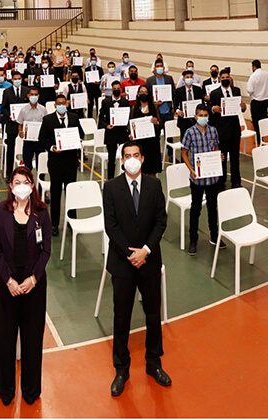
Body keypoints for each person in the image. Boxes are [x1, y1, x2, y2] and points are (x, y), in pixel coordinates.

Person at [103, 140, 170, 397]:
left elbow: (161, 221)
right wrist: (131, 254)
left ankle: (154, 362)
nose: (131, 159)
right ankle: (121, 368)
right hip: (123, 262)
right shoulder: (111, 187)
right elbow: (111, 227)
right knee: (122, 317)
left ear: (142, 159)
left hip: (149, 259)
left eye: (136, 155)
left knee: (153, 315)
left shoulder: (154, 185)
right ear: (121, 160)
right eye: (127, 155)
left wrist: (146, 251)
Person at [0, 166, 51, 406]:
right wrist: (9, 281)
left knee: (32, 339)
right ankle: (6, 389)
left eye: (26, 181)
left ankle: (31, 390)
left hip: (34, 286)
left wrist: (33, 279)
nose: (21, 185)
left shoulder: (42, 212)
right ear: (11, 186)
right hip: (8, 286)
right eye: (17, 182)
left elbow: (46, 250)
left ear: (32, 185)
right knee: (5, 339)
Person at [180, 105, 225, 256]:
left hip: (212, 177)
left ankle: (214, 235)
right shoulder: (190, 132)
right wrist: (191, 170)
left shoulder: (213, 130)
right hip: (197, 179)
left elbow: (216, 148)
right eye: (201, 115)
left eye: (206, 115)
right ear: (195, 116)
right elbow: (184, 153)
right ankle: (193, 239)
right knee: (196, 209)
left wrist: (219, 157)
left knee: (213, 208)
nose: (204, 117)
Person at [38, 94, 84, 235]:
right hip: (56, 163)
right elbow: (42, 139)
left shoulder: (74, 118)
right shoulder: (48, 120)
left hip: (71, 162)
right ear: (55, 105)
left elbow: (80, 133)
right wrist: (52, 147)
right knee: (56, 193)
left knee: (71, 192)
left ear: (67, 104)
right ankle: (55, 224)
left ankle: (72, 219)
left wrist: (79, 141)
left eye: (63, 102)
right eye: (59, 103)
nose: (61, 105)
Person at [208, 68, 246, 189]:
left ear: (230, 78)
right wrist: (213, 108)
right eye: (223, 78)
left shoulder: (236, 91)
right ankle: (221, 181)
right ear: (220, 79)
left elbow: (240, 108)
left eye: (227, 77)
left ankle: (236, 181)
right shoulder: (215, 93)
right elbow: (209, 107)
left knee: (235, 157)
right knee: (222, 157)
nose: (225, 79)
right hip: (222, 130)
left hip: (234, 129)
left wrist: (243, 107)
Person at [98, 81, 130, 180]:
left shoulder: (125, 102)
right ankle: (110, 180)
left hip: (122, 133)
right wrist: (106, 126)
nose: (116, 90)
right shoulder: (106, 102)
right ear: (111, 90)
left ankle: (125, 178)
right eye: (114, 88)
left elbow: (128, 117)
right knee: (111, 159)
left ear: (121, 90)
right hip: (111, 134)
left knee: (125, 157)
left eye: (118, 88)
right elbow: (101, 118)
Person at [129, 85, 162, 176]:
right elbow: (130, 125)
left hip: (152, 143)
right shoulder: (134, 108)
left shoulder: (154, 107)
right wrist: (131, 134)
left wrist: (157, 122)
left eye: (145, 92)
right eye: (141, 92)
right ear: (138, 94)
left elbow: (160, 124)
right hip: (140, 143)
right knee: (140, 170)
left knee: (152, 171)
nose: (143, 94)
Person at [1, 72, 29, 176]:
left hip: (25, 125)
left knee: (25, 148)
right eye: (15, 78)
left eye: (19, 78)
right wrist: (9, 115)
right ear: (12, 80)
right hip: (12, 124)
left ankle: (26, 172)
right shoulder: (7, 92)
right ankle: (9, 173)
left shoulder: (26, 91)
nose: (17, 80)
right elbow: (3, 107)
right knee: (11, 149)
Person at [145, 59, 175, 146]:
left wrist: (173, 107)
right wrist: (154, 103)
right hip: (156, 112)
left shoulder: (169, 78)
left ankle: (170, 154)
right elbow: (148, 96)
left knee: (169, 136)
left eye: (161, 66)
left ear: (164, 67)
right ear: (154, 68)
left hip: (168, 111)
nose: (159, 68)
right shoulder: (150, 80)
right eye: (157, 66)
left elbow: (173, 93)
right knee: (155, 135)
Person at [17, 87, 48, 170]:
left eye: (35, 94)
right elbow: (20, 123)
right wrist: (20, 131)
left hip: (40, 141)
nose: (34, 96)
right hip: (28, 142)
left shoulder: (43, 109)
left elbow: (46, 124)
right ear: (28, 96)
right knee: (27, 166)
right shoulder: (23, 110)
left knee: (41, 165)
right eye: (32, 94)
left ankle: (40, 182)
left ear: (38, 96)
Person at [174, 70, 205, 143]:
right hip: (184, 121)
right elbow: (175, 104)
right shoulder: (179, 91)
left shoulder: (198, 89)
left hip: (196, 120)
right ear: (183, 79)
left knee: (197, 141)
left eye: (191, 77)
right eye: (187, 77)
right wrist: (178, 111)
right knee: (185, 142)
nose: (189, 78)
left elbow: (202, 103)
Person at [247, 59, 268, 142]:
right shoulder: (266, 74)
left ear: (253, 67)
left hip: (257, 102)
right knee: (265, 120)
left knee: (256, 122)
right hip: (266, 101)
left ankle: (259, 139)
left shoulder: (253, 76)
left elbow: (250, 90)